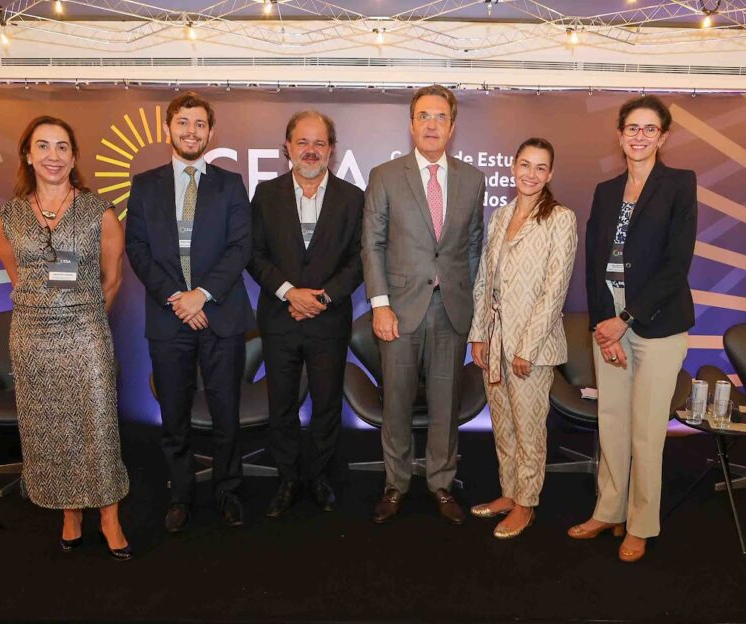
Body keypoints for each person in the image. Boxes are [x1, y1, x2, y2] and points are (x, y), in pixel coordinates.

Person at [0, 116, 131, 561]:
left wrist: (81, 316)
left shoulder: (99, 211)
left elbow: (112, 279)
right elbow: (19, 278)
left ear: (74, 157)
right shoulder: (8, 216)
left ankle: (109, 517)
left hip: (86, 333)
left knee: (98, 427)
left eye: (62, 147)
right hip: (32, 337)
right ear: (27, 155)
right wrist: (47, 311)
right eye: (43, 146)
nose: (53, 156)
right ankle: (69, 512)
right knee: (51, 429)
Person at [568, 95, 697, 563]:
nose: (639, 136)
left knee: (645, 431)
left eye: (649, 129)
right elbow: (594, 264)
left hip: (656, 322)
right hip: (611, 320)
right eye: (632, 128)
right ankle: (609, 511)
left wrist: (625, 321)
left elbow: (676, 264)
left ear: (663, 137)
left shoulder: (679, 184)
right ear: (620, 135)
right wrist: (604, 327)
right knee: (612, 422)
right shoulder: (606, 191)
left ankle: (641, 524)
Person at [125, 92, 254, 530]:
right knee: (174, 416)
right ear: (168, 129)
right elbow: (137, 249)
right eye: (183, 122)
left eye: (200, 124)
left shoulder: (230, 183)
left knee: (225, 413)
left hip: (220, 315)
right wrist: (178, 298)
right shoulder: (145, 185)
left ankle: (227, 489)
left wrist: (202, 294)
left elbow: (240, 247)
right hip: (169, 317)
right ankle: (180, 494)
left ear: (211, 133)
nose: (191, 131)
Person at [361, 84, 486, 525]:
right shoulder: (385, 175)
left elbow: (473, 248)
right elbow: (372, 244)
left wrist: (475, 310)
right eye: (424, 116)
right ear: (411, 124)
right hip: (398, 309)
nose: (432, 125)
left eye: (440, 117)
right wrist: (380, 304)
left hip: (451, 309)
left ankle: (441, 483)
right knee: (395, 402)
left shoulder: (473, 179)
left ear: (452, 126)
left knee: (445, 404)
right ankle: (395, 484)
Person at [247, 111, 364, 517]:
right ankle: (287, 478)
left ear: (332, 150)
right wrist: (289, 293)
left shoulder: (353, 198)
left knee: (327, 403)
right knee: (281, 403)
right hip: (280, 319)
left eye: (319, 143)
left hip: (328, 320)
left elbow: (359, 259)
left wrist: (323, 298)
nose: (310, 151)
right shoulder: (266, 194)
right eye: (302, 142)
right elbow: (254, 254)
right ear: (287, 148)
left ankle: (317, 476)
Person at [468, 138, 577, 540]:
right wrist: (479, 334)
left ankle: (527, 504)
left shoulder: (560, 218)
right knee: (503, 425)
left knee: (530, 429)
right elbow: (485, 279)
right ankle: (510, 492)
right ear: (513, 168)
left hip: (532, 347)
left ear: (550, 174)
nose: (531, 174)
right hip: (495, 340)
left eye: (540, 167)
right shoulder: (501, 215)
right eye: (525, 165)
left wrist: (526, 348)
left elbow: (555, 290)